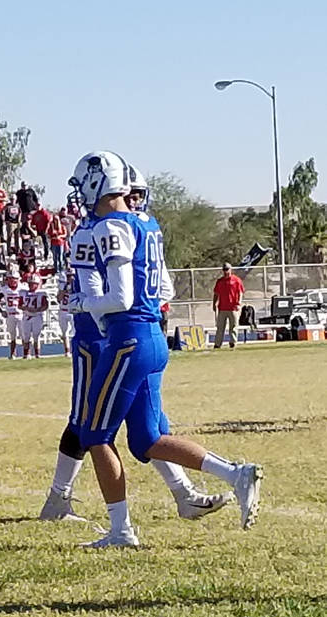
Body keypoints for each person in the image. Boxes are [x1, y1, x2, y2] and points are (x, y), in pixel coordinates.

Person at [63, 151, 261, 546]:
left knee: (94, 434)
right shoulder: (146, 223)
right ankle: (235, 474)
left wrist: (82, 304)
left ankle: (121, 530)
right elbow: (162, 289)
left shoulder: (111, 226)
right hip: (152, 336)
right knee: (147, 439)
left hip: (127, 338)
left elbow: (119, 297)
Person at [212, 263, 244, 349]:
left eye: (227, 269)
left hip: (233, 308)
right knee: (220, 327)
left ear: (231, 270)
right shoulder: (220, 281)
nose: (226, 271)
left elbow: (240, 292)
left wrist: (239, 303)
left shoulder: (236, 280)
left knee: (233, 327)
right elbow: (216, 293)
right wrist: (214, 303)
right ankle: (217, 344)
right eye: (224, 270)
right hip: (222, 308)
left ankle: (233, 343)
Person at [19, 275, 48, 359]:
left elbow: (45, 306)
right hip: (27, 316)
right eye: (30, 283)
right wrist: (25, 308)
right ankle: (26, 354)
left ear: (37, 284)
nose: (31, 285)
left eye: (33, 283)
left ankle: (37, 354)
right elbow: (19, 305)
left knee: (36, 336)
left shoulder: (41, 293)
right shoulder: (23, 293)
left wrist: (37, 310)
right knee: (26, 336)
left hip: (37, 316)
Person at [0, 271, 23, 359]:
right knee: (12, 335)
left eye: (14, 279)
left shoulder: (22, 288)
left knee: (25, 335)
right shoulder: (4, 289)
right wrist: (1, 311)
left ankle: (27, 353)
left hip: (21, 313)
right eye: (10, 279)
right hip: (10, 314)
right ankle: (13, 354)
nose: (12, 281)